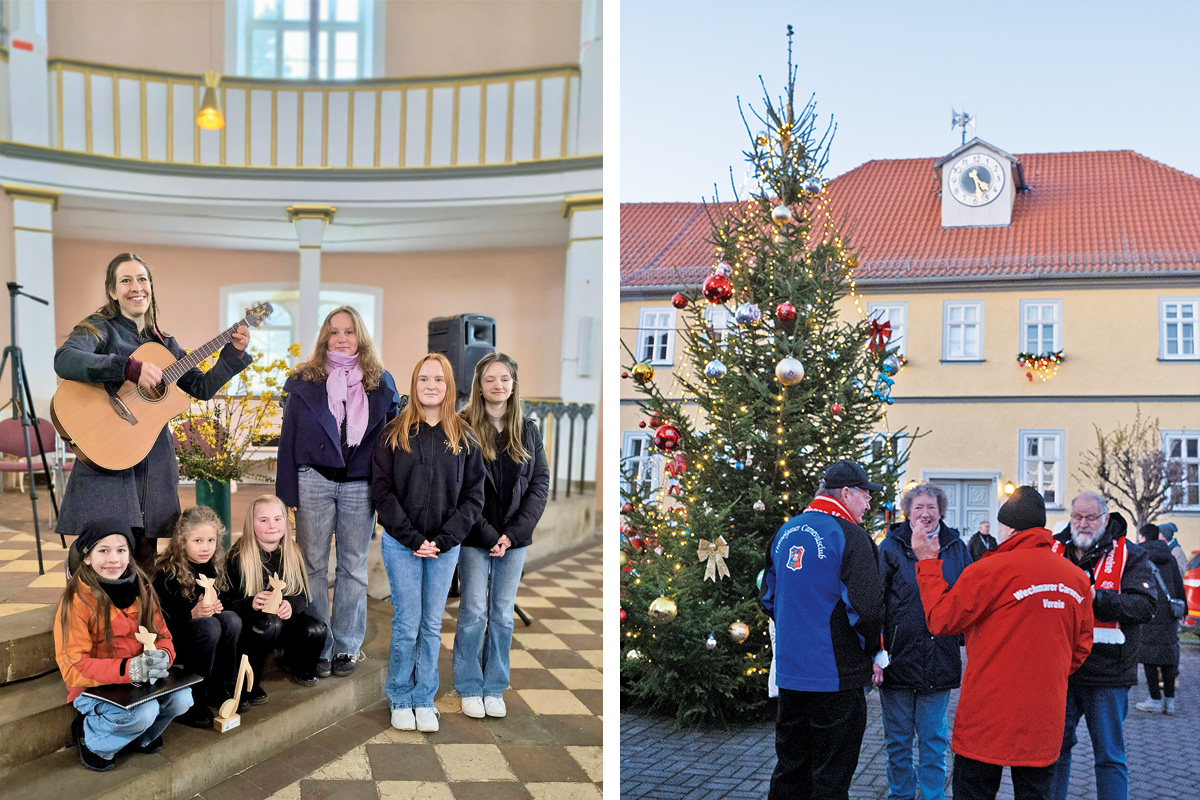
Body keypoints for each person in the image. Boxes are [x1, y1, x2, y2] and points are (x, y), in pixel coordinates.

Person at [54, 253, 252, 571]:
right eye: (126, 280)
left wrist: (232, 354)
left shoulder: (164, 343)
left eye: (142, 279)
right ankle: (90, 616)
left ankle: (142, 617)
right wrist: (128, 367)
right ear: (112, 291)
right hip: (106, 446)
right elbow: (65, 359)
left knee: (145, 548)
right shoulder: (98, 329)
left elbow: (200, 388)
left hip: (151, 457)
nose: (137, 287)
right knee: (100, 544)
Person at [910, 486, 1093, 800]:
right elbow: (1081, 646)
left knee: (974, 791)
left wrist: (927, 562)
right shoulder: (1075, 578)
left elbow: (941, 620)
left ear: (1007, 528)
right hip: (1043, 716)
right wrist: (1047, 669)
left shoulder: (988, 571)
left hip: (986, 715)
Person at [276, 305, 399, 680]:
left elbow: (390, 446)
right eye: (334, 331)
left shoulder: (380, 382)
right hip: (313, 478)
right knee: (312, 564)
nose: (342, 338)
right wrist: (288, 491)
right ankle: (320, 644)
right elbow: (289, 439)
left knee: (353, 567)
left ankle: (346, 645)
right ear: (324, 337)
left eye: (349, 331)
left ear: (360, 337)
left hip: (360, 484)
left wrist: (385, 493)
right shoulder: (305, 379)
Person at [371, 353, 485, 733]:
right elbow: (382, 492)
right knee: (407, 623)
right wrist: (414, 538)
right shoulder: (394, 432)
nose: (431, 386)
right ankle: (401, 696)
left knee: (432, 624)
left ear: (449, 386)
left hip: (444, 547)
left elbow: (474, 498)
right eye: (423, 379)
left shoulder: (464, 437)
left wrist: (443, 539)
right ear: (414, 384)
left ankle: (424, 698)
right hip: (402, 543)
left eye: (438, 379)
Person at [759, 459, 885, 800]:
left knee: (790, 771)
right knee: (830, 780)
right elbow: (868, 610)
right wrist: (875, 652)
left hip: (790, 676)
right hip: (836, 678)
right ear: (845, 493)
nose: (869, 503)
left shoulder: (786, 530)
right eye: (865, 495)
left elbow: (767, 597)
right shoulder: (852, 537)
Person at [453, 353, 549, 719]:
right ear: (479, 385)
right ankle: (468, 685)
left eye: (505, 379)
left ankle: (494, 686)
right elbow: (460, 488)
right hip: (474, 536)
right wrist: (490, 534)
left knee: (503, 614)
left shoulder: (528, 428)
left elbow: (539, 484)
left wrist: (512, 533)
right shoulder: (462, 426)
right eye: (490, 379)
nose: (498, 385)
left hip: (514, 537)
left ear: (513, 384)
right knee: (474, 611)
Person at [54, 517, 192, 771]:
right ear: (86, 558)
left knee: (183, 698)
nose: (113, 559)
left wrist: (163, 655)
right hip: (93, 687)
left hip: (139, 680)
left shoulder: (142, 587)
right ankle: (94, 741)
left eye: (121, 550)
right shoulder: (76, 602)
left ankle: (142, 737)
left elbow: (162, 635)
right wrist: (128, 670)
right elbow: (73, 666)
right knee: (144, 712)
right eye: (103, 551)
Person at [1048, 492, 1156, 800]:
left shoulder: (1130, 554)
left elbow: (1145, 606)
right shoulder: (1054, 549)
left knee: (1109, 756)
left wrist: (1097, 598)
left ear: (1105, 519)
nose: (1082, 524)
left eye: (1090, 517)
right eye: (1077, 517)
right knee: (1055, 752)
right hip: (1062, 669)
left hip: (1108, 672)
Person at [876, 483, 971, 800]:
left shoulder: (956, 546)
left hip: (939, 656)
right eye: (918, 508)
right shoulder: (890, 547)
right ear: (907, 512)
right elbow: (876, 602)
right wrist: (876, 652)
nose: (926, 514)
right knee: (898, 740)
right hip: (898, 658)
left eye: (932, 507)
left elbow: (969, 597)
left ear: (941, 510)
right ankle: (900, 794)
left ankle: (933, 796)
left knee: (933, 738)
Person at [223, 495, 327, 702]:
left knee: (316, 629)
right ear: (251, 524)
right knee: (268, 626)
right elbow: (226, 601)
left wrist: (291, 604)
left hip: (284, 622)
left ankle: (296, 663)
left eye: (277, 519)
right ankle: (248, 682)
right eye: (263, 520)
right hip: (252, 626)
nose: (272, 526)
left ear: (286, 522)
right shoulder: (238, 556)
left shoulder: (293, 552)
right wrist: (250, 603)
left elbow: (303, 594)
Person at [151, 506, 243, 728]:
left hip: (208, 638)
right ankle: (193, 699)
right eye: (198, 541)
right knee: (209, 626)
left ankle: (220, 687)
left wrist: (221, 606)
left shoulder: (215, 566)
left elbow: (230, 600)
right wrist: (190, 614)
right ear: (182, 541)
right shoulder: (167, 572)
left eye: (211, 540)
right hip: (176, 640)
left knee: (230, 620)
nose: (206, 548)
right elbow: (160, 622)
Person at [1133, 523, 1185, 715]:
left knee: (1149, 657)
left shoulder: (1141, 556)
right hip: (1170, 614)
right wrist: (1182, 608)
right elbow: (1178, 585)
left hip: (1151, 611)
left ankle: (1155, 699)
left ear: (1144, 538)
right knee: (1168, 657)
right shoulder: (1170, 557)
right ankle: (1169, 702)